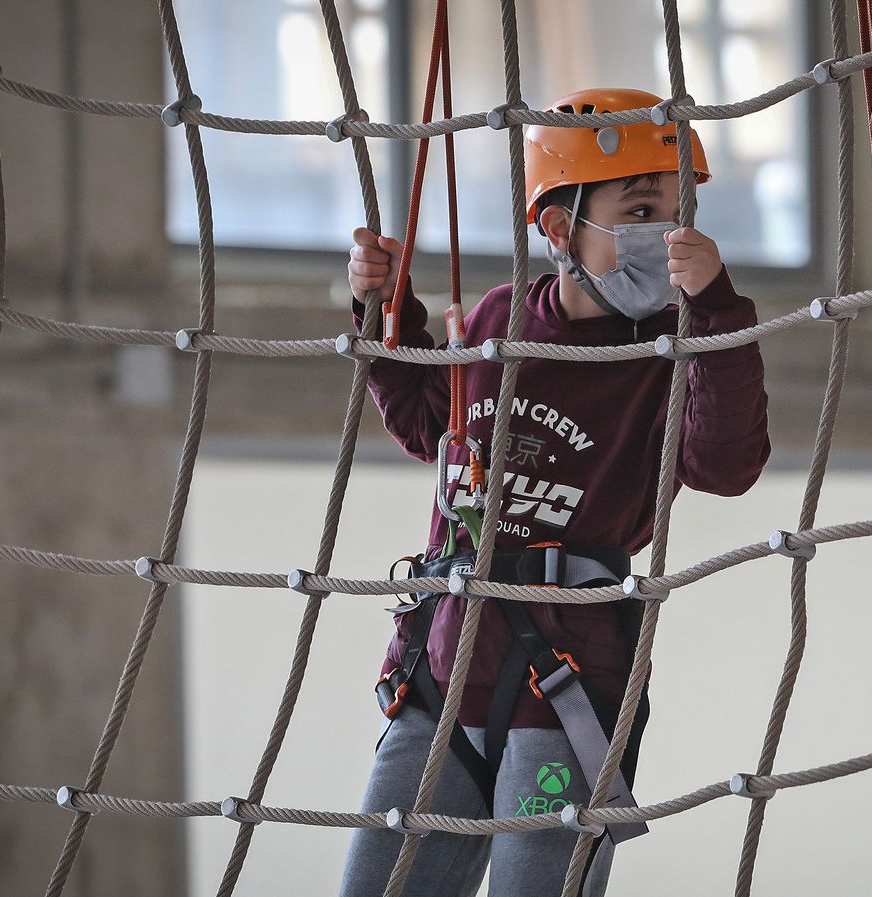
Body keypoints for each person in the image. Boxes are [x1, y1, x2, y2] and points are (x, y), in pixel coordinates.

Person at [337, 87, 771, 897]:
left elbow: (726, 462)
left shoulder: (673, 350)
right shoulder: (507, 317)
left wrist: (715, 311)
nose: (669, 235)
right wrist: (385, 311)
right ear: (561, 229)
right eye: (642, 209)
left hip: (563, 679)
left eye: (680, 211)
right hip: (440, 668)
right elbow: (434, 428)